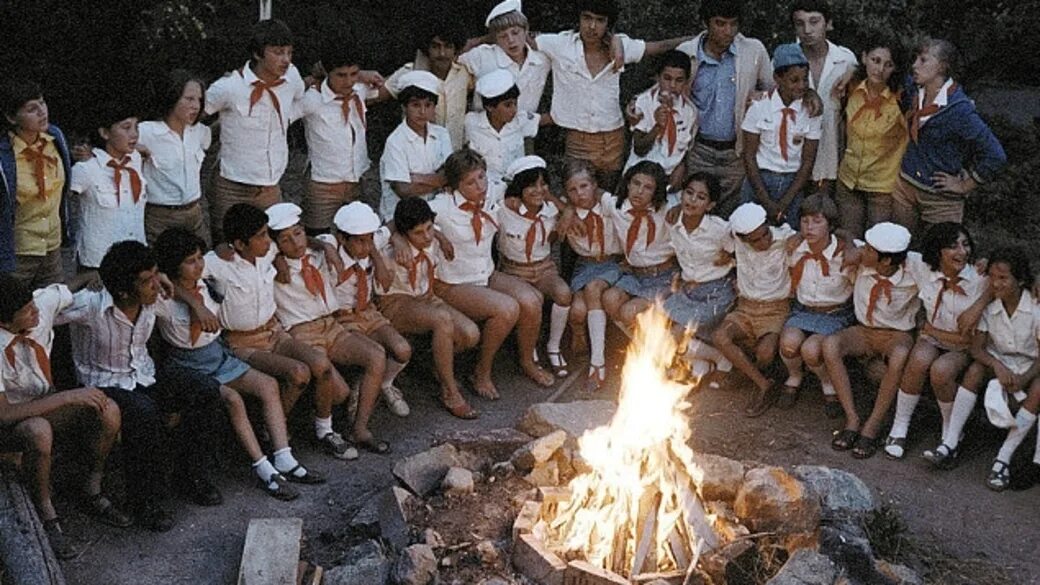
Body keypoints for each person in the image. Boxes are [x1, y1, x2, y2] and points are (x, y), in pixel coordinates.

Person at [59, 241, 223, 532]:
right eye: (146, 281)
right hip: (104, 384)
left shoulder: (154, 296)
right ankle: (145, 503)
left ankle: (190, 474)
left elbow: (175, 288)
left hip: (144, 377)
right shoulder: (91, 305)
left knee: (205, 389)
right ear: (122, 291)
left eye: (155, 276)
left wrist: (165, 281)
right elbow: (41, 304)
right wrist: (85, 277)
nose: (155, 286)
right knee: (144, 413)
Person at [153, 228, 308, 501]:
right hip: (188, 365)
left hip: (217, 355)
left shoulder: (208, 284)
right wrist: (191, 303)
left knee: (268, 385)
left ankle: (284, 456)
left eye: (199, 258)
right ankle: (264, 470)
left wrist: (197, 298)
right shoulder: (163, 300)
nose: (199, 265)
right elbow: (157, 281)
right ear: (172, 266)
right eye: (190, 261)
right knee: (233, 400)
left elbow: (227, 256)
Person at [199, 203, 347, 468]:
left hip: (274, 332)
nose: (270, 240)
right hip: (242, 342)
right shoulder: (217, 264)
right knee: (298, 373)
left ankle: (324, 429)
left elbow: (301, 238)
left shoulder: (267, 252)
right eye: (262, 235)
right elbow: (174, 277)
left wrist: (325, 247)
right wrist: (195, 304)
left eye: (268, 233)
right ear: (239, 244)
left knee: (321, 366)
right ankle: (270, 432)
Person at [0, 275, 130, 559]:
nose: (35, 311)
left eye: (33, 304)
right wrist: (65, 397)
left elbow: (64, 289)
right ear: (5, 322)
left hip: (45, 404)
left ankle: (91, 487)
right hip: (11, 423)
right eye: (26, 310)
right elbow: (4, 414)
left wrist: (93, 274)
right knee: (39, 430)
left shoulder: (40, 306)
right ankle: (47, 514)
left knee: (108, 409)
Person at [425, 149, 553, 396]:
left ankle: (527, 361)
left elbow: (524, 185)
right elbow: (402, 220)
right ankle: (481, 372)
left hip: (485, 273)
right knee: (506, 308)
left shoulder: (492, 191)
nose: (480, 186)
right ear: (454, 185)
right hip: (453, 282)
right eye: (470, 182)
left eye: (482, 177)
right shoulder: (442, 206)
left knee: (532, 300)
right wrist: (438, 235)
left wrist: (563, 208)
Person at [268, 203, 389, 455]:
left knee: (376, 355)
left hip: (331, 325)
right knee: (340, 392)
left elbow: (328, 237)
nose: (296, 243)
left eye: (298, 233)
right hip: (300, 331)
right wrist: (277, 256)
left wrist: (323, 246)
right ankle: (320, 429)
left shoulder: (321, 249)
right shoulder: (269, 263)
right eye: (285, 239)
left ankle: (360, 429)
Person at [531, 0, 689, 186]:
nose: (592, 26)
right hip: (578, 140)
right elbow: (519, 38)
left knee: (608, 197)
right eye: (587, 18)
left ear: (608, 24)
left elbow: (659, 47)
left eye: (600, 20)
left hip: (613, 138)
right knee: (579, 196)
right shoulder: (559, 44)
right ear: (579, 19)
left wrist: (702, 39)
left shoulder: (620, 45)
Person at [923, 247, 1040, 487]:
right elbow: (977, 349)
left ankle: (1003, 459)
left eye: (1003, 278)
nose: (995, 284)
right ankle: (950, 442)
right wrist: (996, 366)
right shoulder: (990, 307)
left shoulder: (1035, 309)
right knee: (976, 369)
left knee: (1039, 387)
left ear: (1020, 280)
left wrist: (1025, 377)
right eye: (993, 278)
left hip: (1030, 366)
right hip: (999, 362)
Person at [883, 222, 987, 460]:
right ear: (937, 251)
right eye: (952, 246)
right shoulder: (923, 268)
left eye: (965, 244)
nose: (962, 252)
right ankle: (900, 427)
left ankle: (952, 432)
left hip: (963, 346)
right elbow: (885, 246)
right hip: (932, 337)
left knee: (941, 371)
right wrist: (845, 239)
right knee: (918, 359)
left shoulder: (980, 279)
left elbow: (1006, 276)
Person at [891, 38, 1006, 239]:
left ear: (942, 67)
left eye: (923, 60)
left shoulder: (959, 109)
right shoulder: (914, 90)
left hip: (940, 200)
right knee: (900, 249)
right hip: (905, 188)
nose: (915, 65)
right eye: (916, 58)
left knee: (938, 256)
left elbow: (995, 155)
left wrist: (965, 185)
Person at [821, 222, 918, 458]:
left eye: (869, 251)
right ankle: (852, 419)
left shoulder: (916, 268)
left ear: (886, 261)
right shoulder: (865, 257)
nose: (864, 252)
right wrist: (852, 244)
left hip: (896, 334)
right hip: (864, 330)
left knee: (900, 356)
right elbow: (843, 231)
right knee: (830, 345)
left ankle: (873, 425)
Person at [378, 197, 481, 419]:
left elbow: (432, 230)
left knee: (470, 334)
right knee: (442, 320)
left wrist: (439, 235)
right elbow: (376, 238)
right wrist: (395, 238)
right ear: (404, 232)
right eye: (418, 233)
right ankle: (450, 392)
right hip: (396, 302)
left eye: (428, 229)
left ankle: (432, 362)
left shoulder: (433, 237)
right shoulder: (390, 248)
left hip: (426, 297)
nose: (426, 236)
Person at [204, 19, 305, 243]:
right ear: (258, 54)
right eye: (278, 53)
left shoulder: (292, 77)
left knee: (271, 245)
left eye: (289, 52)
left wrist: (286, 119)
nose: (286, 60)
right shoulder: (230, 87)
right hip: (231, 186)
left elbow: (300, 98)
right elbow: (196, 111)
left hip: (270, 186)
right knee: (227, 246)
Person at [676, 0, 773, 218]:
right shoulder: (687, 52)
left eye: (733, 24)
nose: (728, 31)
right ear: (706, 23)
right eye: (720, 24)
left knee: (730, 218)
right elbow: (669, 92)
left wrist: (761, 98)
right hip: (697, 150)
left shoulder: (753, 50)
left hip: (736, 153)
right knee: (694, 214)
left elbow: (776, 93)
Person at [319, 202, 413, 418]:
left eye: (370, 239)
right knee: (371, 352)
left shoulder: (370, 243)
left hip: (368, 311)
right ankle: (358, 393)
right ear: (343, 238)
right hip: (341, 317)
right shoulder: (331, 244)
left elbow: (393, 224)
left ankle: (385, 383)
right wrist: (327, 247)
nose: (367, 245)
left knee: (402, 349)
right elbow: (318, 240)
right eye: (360, 241)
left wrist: (390, 246)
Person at [712, 202, 796, 418]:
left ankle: (746, 372)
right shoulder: (736, 242)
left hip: (775, 311)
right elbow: (724, 233)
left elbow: (817, 236)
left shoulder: (786, 239)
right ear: (741, 238)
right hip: (745, 308)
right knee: (720, 337)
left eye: (765, 235)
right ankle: (764, 384)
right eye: (755, 240)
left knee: (765, 353)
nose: (763, 242)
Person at [777, 194, 854, 412]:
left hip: (834, 314)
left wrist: (847, 241)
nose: (809, 228)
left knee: (811, 350)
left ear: (830, 225)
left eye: (817, 221)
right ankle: (794, 376)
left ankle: (827, 381)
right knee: (789, 343)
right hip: (804, 310)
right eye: (805, 221)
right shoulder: (795, 247)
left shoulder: (845, 253)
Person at [497, 156, 571, 378]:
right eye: (531, 185)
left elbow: (569, 210)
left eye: (542, 184)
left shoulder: (550, 209)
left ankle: (553, 347)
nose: (538, 190)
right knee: (533, 302)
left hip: (544, 268)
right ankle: (529, 352)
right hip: (513, 270)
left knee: (563, 294)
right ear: (519, 187)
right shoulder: (504, 208)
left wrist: (558, 204)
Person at [297, 39, 376, 235]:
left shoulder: (359, 91)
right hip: (322, 184)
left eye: (353, 74)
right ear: (327, 72)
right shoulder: (312, 99)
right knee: (318, 237)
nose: (348, 81)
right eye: (341, 75)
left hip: (356, 180)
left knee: (358, 234)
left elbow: (387, 88)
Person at [662, 172, 735, 380]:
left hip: (716, 293)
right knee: (658, 324)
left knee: (677, 333)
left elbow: (740, 251)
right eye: (689, 193)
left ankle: (721, 359)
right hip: (688, 290)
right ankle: (700, 363)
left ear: (710, 205)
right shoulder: (673, 222)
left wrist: (731, 261)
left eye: (701, 197)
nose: (692, 200)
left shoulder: (720, 230)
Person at [0, 78, 72, 287]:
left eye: (42, 103)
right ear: (11, 117)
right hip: (18, 252)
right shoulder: (5, 155)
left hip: (52, 247)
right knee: (14, 313)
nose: (42, 111)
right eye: (32, 108)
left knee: (57, 306)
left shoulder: (55, 137)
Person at [740, 43, 821, 227]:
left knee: (787, 238)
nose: (801, 86)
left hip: (793, 183)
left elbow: (808, 160)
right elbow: (749, 156)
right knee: (751, 232)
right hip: (759, 181)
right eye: (794, 80)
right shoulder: (759, 106)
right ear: (777, 77)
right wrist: (766, 201)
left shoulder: (811, 110)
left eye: (805, 79)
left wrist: (785, 201)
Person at [835, 35, 908, 238]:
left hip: (882, 187)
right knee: (849, 240)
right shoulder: (851, 88)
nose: (880, 69)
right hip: (848, 181)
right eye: (875, 60)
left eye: (888, 64)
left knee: (878, 244)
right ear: (865, 57)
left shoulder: (902, 99)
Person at [559, 160, 623, 391]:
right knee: (577, 312)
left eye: (585, 186)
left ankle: (598, 363)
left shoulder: (609, 204)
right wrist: (566, 209)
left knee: (593, 289)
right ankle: (578, 334)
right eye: (572, 190)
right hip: (585, 265)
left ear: (595, 185)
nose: (580, 194)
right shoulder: (567, 210)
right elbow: (546, 196)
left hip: (613, 263)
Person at [789, 0, 857, 192]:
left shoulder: (846, 59)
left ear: (828, 24)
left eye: (814, 21)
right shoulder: (784, 59)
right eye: (800, 23)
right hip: (792, 161)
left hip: (833, 157)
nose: (807, 30)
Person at [138, 70, 212, 246]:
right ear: (172, 97)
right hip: (160, 216)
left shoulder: (201, 132)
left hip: (194, 213)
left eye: (199, 100)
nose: (196, 105)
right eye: (189, 99)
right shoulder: (146, 132)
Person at [69, 103, 146, 270]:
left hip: (135, 256)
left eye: (136, 127)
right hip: (98, 262)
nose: (134, 134)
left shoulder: (136, 160)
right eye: (126, 127)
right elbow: (60, 201)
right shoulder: (86, 169)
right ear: (104, 133)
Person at [601, 161, 676, 329]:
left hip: (663, 276)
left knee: (629, 312)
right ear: (627, 184)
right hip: (636, 275)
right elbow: (597, 193)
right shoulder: (617, 206)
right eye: (636, 183)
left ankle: (654, 339)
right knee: (609, 298)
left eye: (648, 187)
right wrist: (569, 212)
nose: (639, 191)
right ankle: (638, 341)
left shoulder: (668, 211)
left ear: (656, 192)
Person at [383, 23, 472, 150]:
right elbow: (376, 94)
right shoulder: (410, 72)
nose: (442, 53)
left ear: (455, 49)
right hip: (417, 154)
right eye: (436, 47)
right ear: (427, 48)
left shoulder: (466, 73)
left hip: (455, 156)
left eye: (448, 47)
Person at [378, 70, 452, 221]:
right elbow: (403, 190)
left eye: (428, 105)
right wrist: (439, 180)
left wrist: (417, 178)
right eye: (415, 105)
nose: (422, 111)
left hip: (436, 212)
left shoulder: (442, 134)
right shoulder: (396, 141)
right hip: (402, 217)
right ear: (404, 107)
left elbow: (450, 175)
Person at [464, 70, 544, 204]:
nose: (514, 110)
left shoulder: (521, 120)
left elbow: (551, 119)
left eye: (515, 103)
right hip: (485, 193)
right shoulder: (471, 123)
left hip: (517, 192)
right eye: (507, 105)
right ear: (490, 107)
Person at [458, 0, 551, 114]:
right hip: (484, 128)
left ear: (526, 31)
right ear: (494, 39)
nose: (511, 40)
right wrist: (480, 40)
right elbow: (451, 59)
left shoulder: (542, 60)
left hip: (524, 128)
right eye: (503, 36)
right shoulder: (482, 56)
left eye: (515, 33)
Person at [624, 50, 697, 192]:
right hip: (640, 178)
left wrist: (680, 169)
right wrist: (658, 126)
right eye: (667, 78)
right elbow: (639, 148)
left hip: (668, 181)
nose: (673, 85)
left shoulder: (690, 111)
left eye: (679, 80)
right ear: (658, 77)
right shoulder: (643, 103)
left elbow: (685, 150)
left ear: (687, 82)